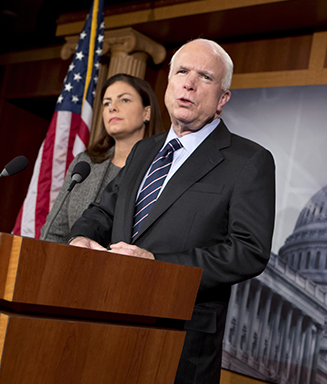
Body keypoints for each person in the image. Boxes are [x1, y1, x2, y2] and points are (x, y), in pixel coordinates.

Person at [68, 39, 276, 384]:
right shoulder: (143, 150)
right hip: (104, 317)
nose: (189, 83)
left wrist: (156, 265)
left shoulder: (249, 161)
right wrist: (81, 237)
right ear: (169, 83)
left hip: (179, 336)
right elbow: (105, 211)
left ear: (222, 98)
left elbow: (248, 251)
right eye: (181, 72)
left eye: (205, 77)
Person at [41, 73, 165, 243]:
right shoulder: (85, 163)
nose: (112, 107)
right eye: (107, 103)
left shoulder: (162, 167)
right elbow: (55, 230)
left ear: (147, 112)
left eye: (124, 100)